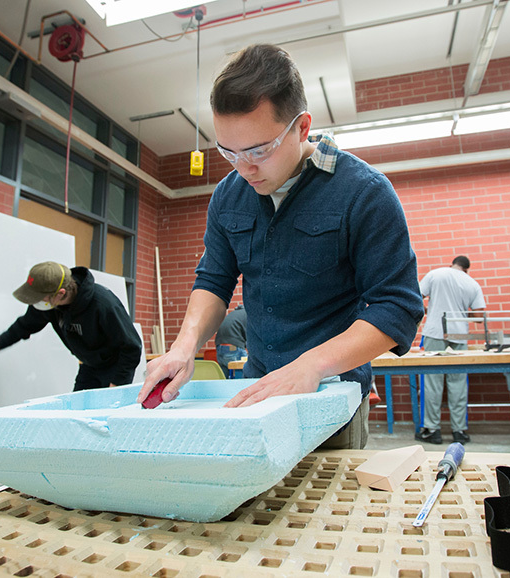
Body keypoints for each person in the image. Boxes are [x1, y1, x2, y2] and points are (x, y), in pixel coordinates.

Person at [137, 43, 423, 449]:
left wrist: (312, 366)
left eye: (258, 150)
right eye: (228, 152)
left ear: (302, 128)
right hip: (258, 389)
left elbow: (398, 308)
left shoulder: (364, 193)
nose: (243, 167)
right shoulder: (228, 196)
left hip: (331, 397)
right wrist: (184, 348)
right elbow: (215, 281)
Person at [0, 261, 142, 391]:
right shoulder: (50, 306)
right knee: (76, 418)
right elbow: (19, 329)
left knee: (106, 422)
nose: (36, 303)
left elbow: (132, 346)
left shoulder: (104, 304)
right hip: (90, 366)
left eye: (39, 298)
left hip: (116, 368)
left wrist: (115, 387)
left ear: (61, 293)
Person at [416, 256, 486, 444]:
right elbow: (479, 317)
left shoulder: (435, 274)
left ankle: (432, 430)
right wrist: (461, 313)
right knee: (458, 384)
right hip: (460, 335)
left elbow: (415, 298)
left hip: (435, 333)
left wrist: (429, 311)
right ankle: (459, 431)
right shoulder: (472, 283)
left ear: (452, 264)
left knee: (432, 382)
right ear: (466, 269)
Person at [215, 304, 247, 376]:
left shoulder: (235, 313)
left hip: (220, 348)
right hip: (234, 348)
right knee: (244, 378)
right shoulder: (247, 314)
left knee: (225, 380)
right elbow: (251, 337)